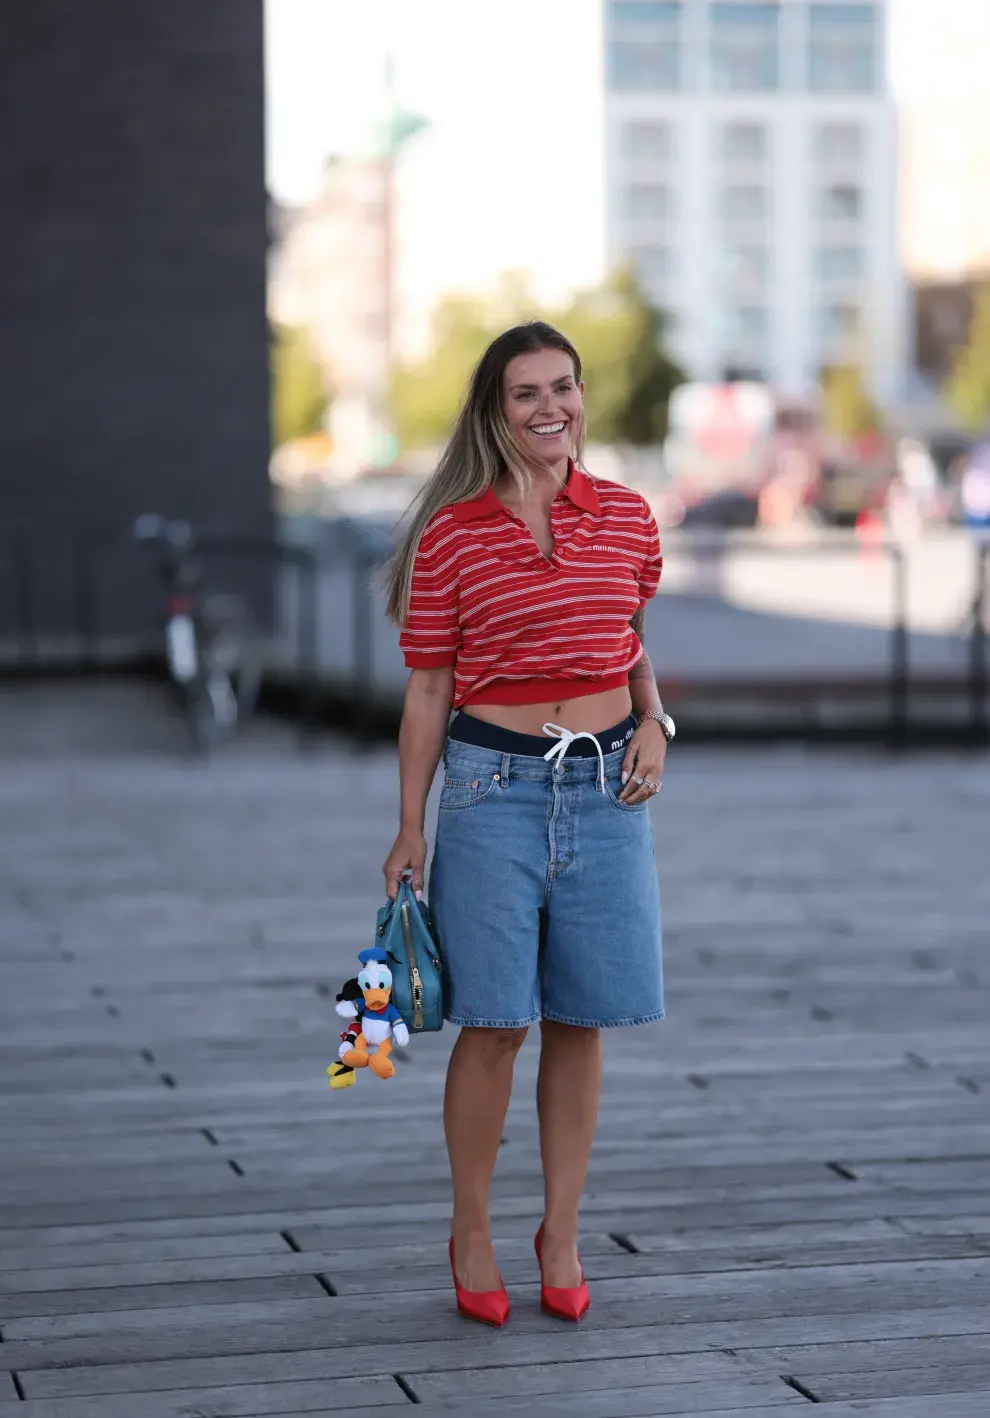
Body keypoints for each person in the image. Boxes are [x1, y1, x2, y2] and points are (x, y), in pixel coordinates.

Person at [382, 321, 672, 1326]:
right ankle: (470, 1225)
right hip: (487, 792)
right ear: (494, 412)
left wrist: (655, 721)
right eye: (525, 394)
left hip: (608, 794)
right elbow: (427, 690)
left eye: (564, 387)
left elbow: (626, 637)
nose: (550, 407)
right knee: (495, 1021)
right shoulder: (454, 534)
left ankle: (560, 1227)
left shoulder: (630, 517)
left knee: (582, 1017)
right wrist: (409, 825)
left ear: (582, 395)